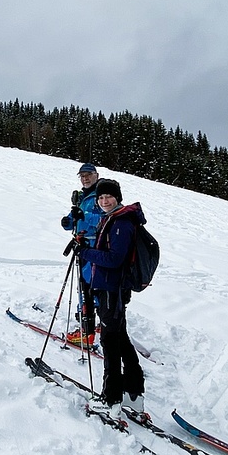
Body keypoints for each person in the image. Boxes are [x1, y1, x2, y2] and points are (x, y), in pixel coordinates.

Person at [76, 178, 146, 417]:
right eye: (101, 198)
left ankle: (111, 398)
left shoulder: (120, 223)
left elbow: (114, 259)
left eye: (109, 197)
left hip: (112, 291)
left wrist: (84, 251)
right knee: (121, 341)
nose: (105, 201)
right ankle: (134, 395)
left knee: (110, 343)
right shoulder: (113, 219)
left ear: (118, 198)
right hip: (111, 290)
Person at [61, 163, 104, 346]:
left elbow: (106, 218)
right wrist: (68, 222)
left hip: (94, 246)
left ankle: (87, 332)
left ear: (96, 175)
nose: (85, 178)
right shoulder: (83, 196)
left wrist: (84, 216)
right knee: (88, 285)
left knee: (88, 287)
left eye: (88, 175)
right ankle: (98, 324)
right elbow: (77, 218)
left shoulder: (101, 194)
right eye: (82, 176)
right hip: (83, 245)